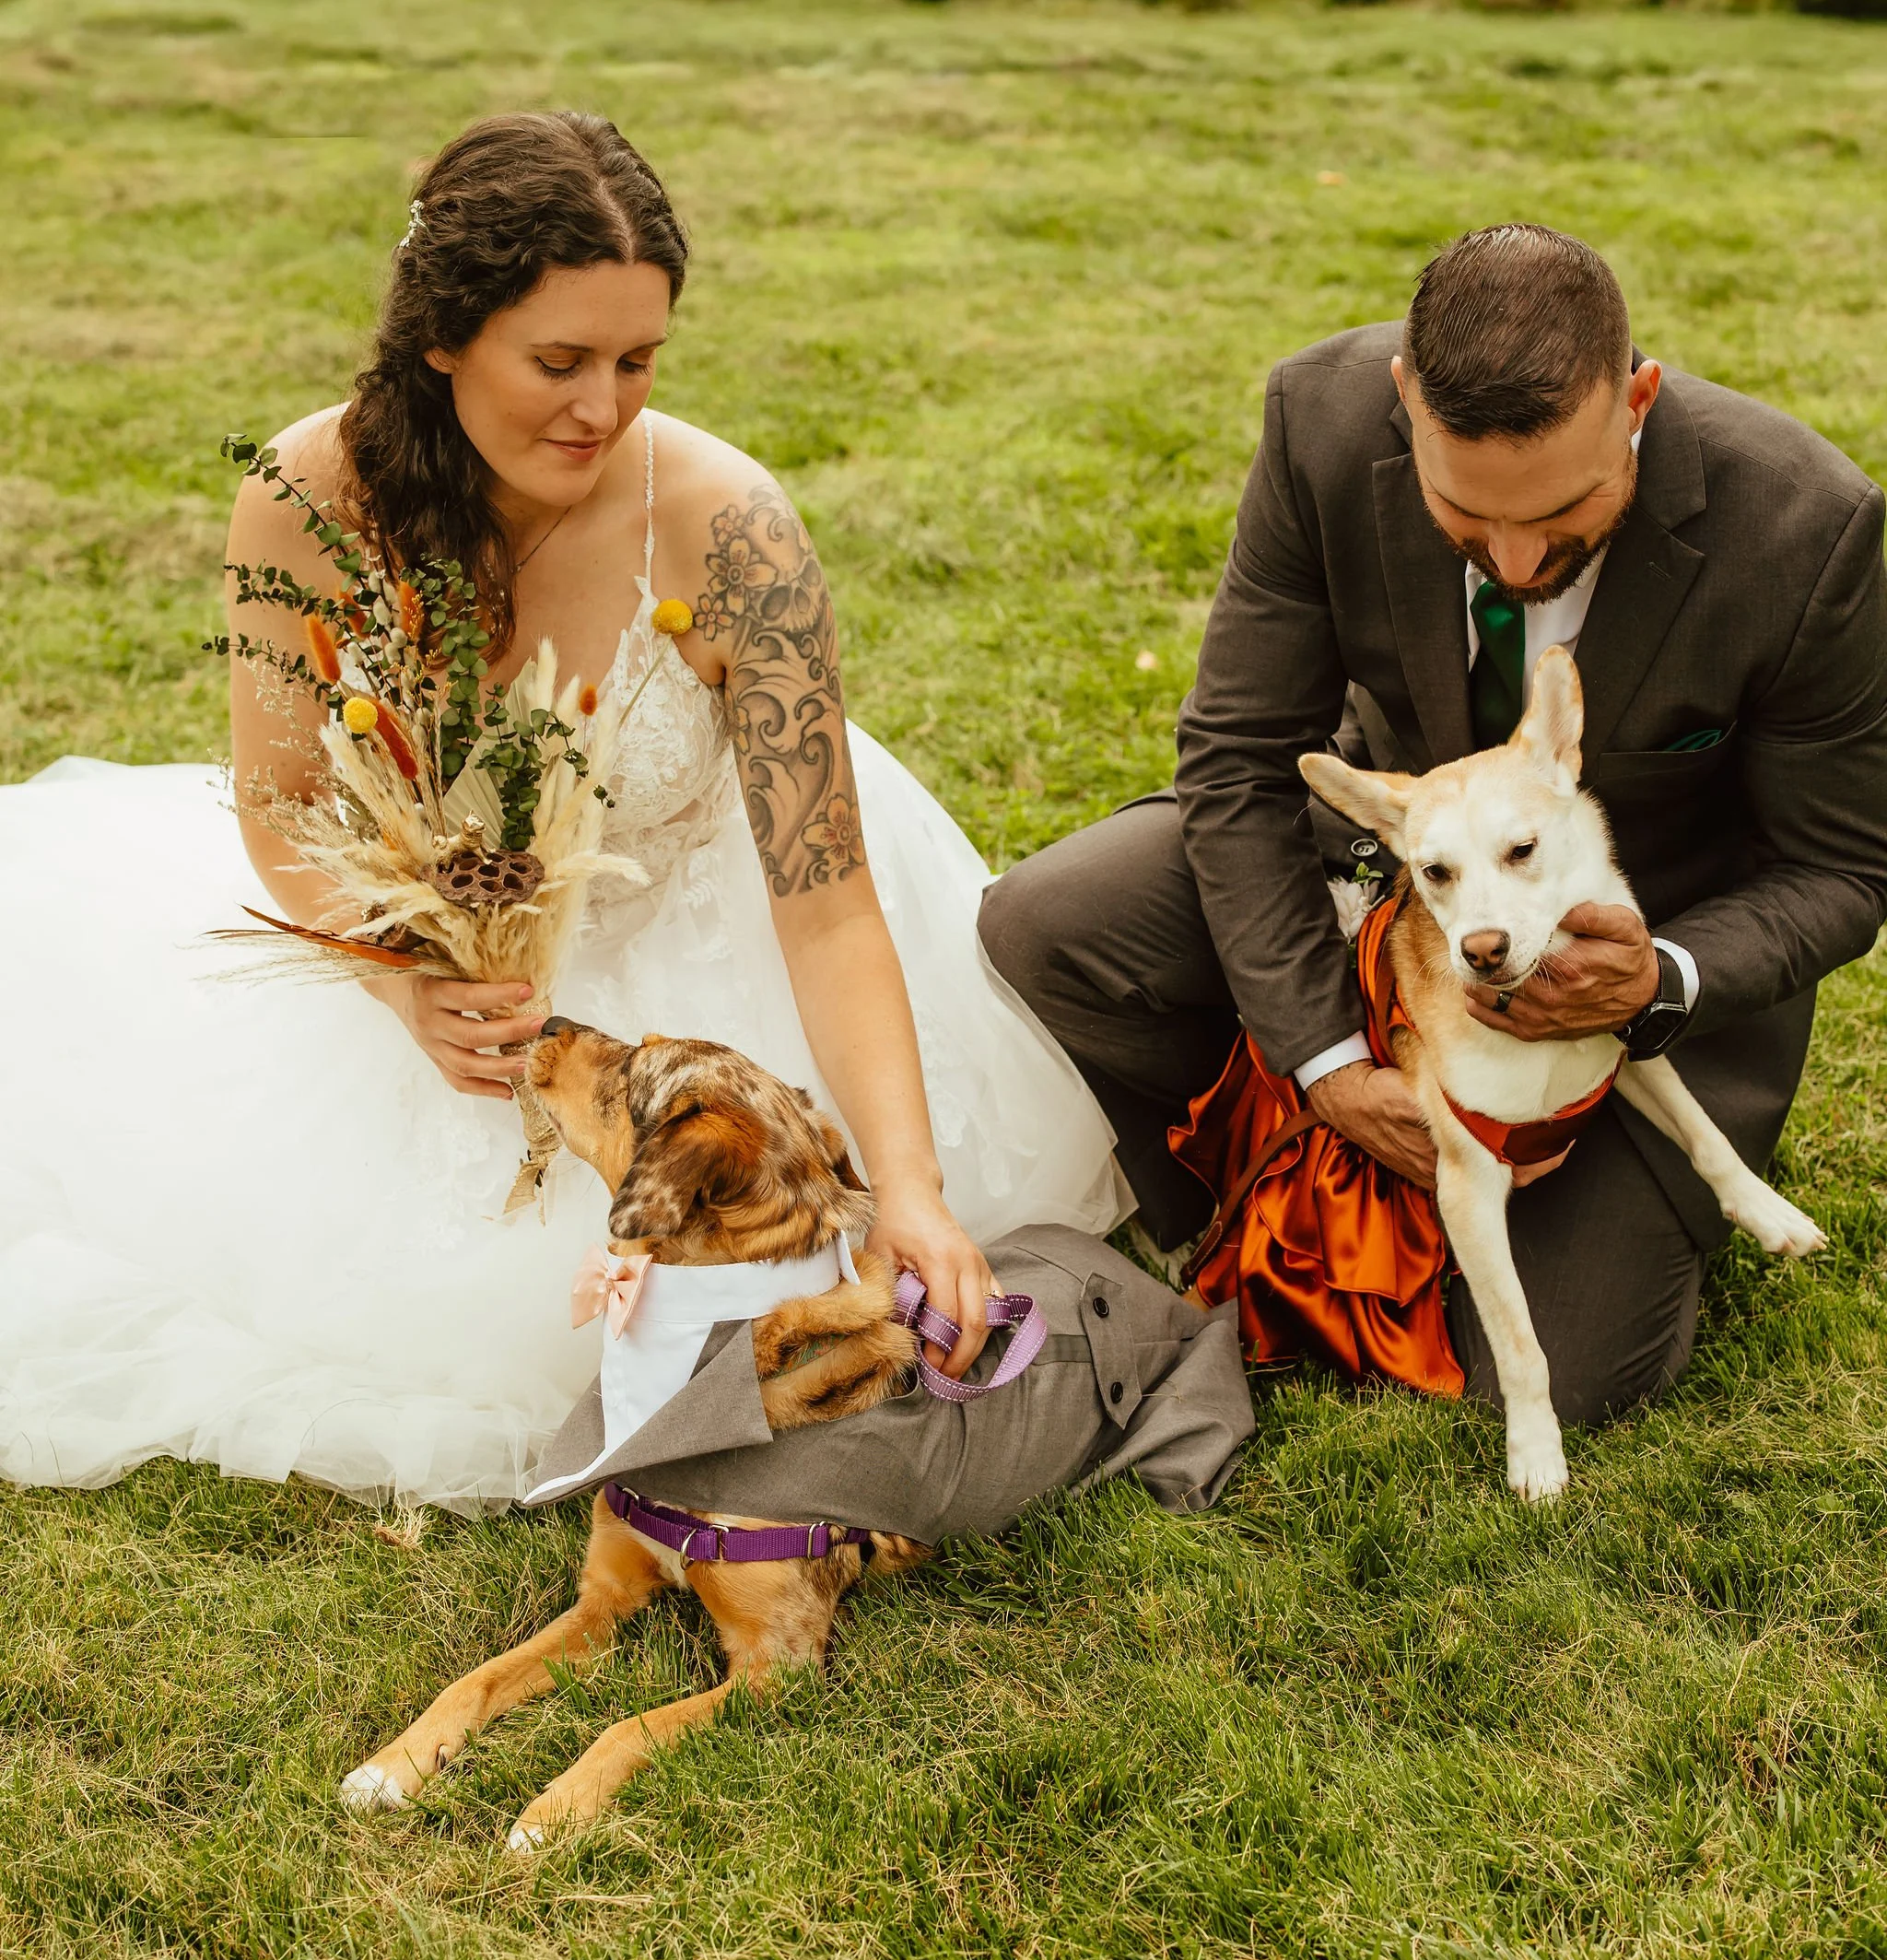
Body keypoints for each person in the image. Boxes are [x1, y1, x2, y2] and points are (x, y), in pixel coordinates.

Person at [0, 111, 1124, 1508]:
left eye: (638, 360)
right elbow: (286, 798)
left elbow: (829, 909)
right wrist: (399, 978)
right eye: (560, 362)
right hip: (440, 980)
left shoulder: (731, 533)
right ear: (442, 338)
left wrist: (910, 1187)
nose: (604, 407)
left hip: (720, 966)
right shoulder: (305, 504)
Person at [980, 224, 1887, 1427]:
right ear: (1405, 404)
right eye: (1465, 518)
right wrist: (1327, 1064)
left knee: (1575, 1366)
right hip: (1387, 874)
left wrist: (1657, 978)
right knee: (1050, 926)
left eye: (1566, 515)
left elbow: (1842, 863)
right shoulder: (1320, 419)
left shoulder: (1807, 530)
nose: (1515, 561)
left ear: (1640, 401)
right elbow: (1241, 758)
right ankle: (1237, 1190)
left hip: (1630, 989)